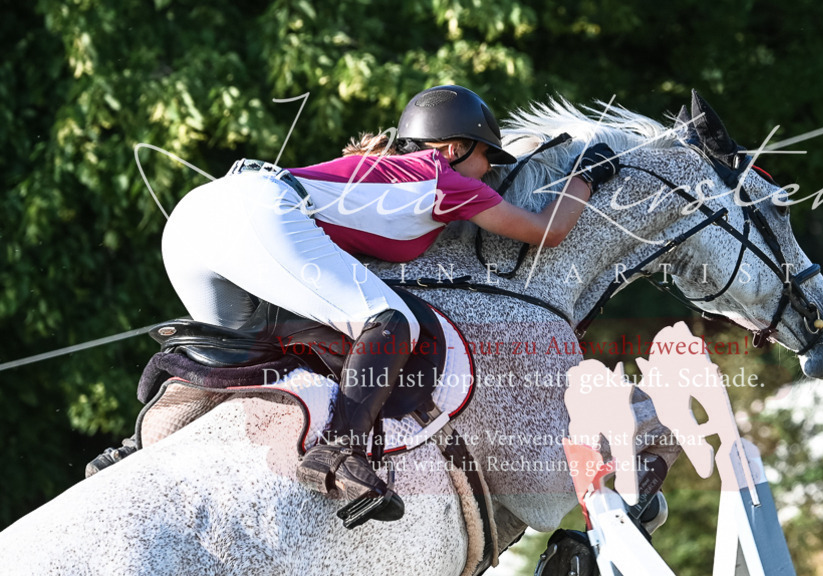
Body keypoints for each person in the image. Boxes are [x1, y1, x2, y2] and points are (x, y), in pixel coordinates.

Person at [88, 85, 620, 527]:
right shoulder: (446, 178)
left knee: (242, 348)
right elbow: (545, 231)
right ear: (454, 147)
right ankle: (338, 450)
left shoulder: (379, 170)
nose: (489, 171)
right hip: (253, 209)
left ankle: (138, 449)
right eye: (487, 156)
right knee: (392, 321)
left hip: (193, 218)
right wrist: (588, 177)